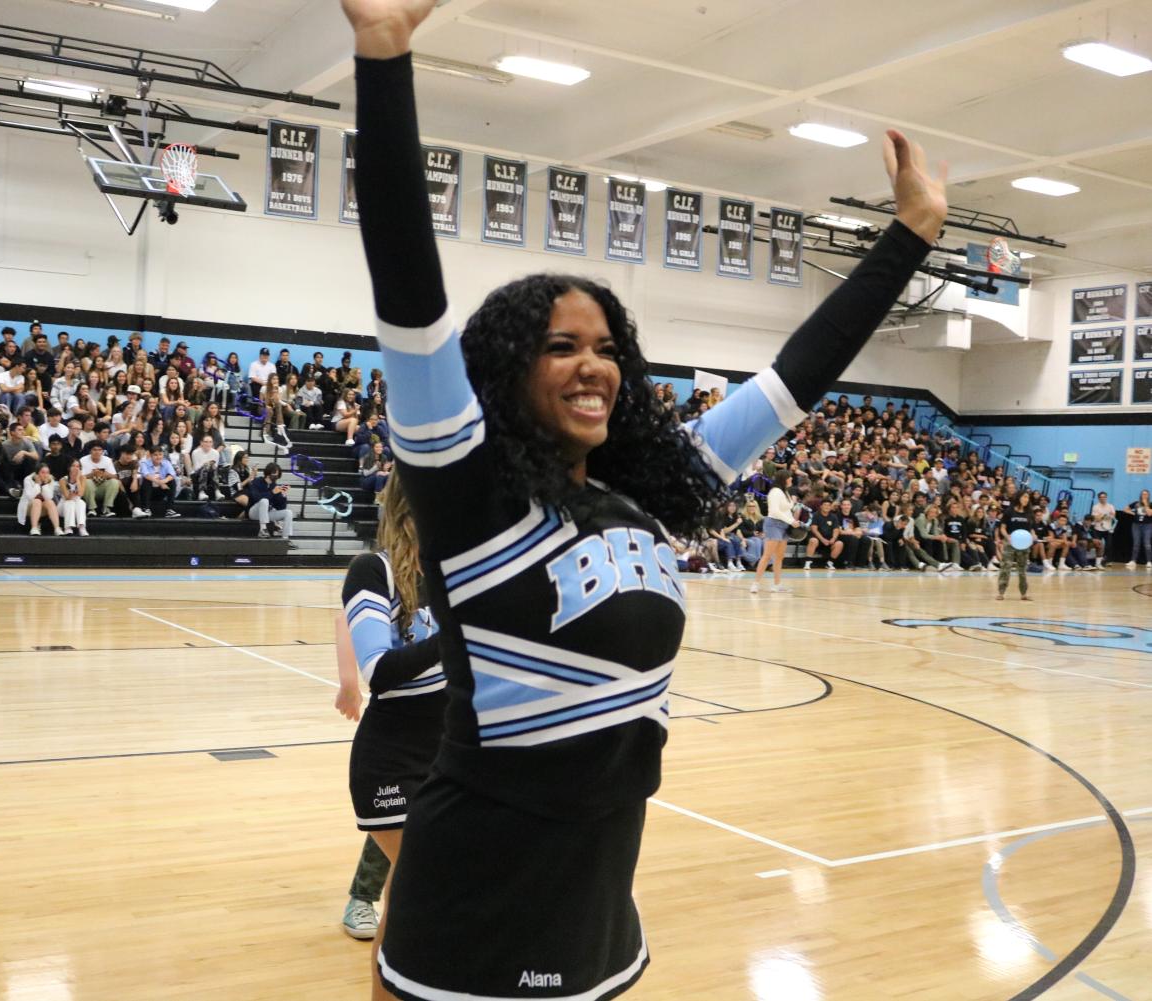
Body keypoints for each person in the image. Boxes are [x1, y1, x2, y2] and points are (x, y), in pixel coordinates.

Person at [339, 3, 945, 996]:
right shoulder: (470, 498)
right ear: (501, 370)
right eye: (562, 345)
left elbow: (793, 380)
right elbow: (407, 294)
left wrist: (909, 235)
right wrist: (383, 58)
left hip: (599, 919)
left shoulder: (647, 492)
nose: (594, 366)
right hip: (464, 921)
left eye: (609, 346)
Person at [333, 478, 443, 955]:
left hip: (451, 749)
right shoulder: (371, 570)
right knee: (427, 893)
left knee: (421, 906)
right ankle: (362, 899)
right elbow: (380, 670)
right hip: (393, 758)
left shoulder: (454, 572)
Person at [751, 471, 796, 593]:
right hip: (773, 524)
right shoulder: (775, 492)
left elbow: (786, 511)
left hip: (784, 525)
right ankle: (755, 584)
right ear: (783, 479)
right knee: (767, 555)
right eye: (789, 477)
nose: (791, 479)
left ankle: (777, 584)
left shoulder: (785, 492)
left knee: (779, 557)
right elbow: (775, 511)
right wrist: (791, 521)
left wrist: (793, 521)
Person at [996, 491, 1034, 601]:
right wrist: (1007, 536)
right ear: (1019, 498)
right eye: (1025, 497)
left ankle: (1024, 593)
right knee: (1006, 567)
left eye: (1028, 497)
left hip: (1024, 544)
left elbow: (1030, 529)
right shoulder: (1009, 511)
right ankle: (1001, 592)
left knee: (1022, 569)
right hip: (1010, 542)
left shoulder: (1029, 513)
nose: (1026, 499)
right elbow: (1002, 527)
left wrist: (1033, 536)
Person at [246, 462, 294, 539]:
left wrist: (283, 495)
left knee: (288, 512)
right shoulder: (256, 482)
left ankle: (285, 538)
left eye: (278, 475)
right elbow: (256, 498)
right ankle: (263, 529)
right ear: (268, 473)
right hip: (253, 512)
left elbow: (281, 508)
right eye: (275, 474)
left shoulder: (274, 486)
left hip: (267, 514)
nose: (276, 477)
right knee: (264, 500)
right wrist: (272, 492)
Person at [80, 442, 121, 516]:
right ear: (90, 451)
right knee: (86, 482)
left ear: (103, 451)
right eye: (94, 450)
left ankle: (106, 508)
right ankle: (92, 509)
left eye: (99, 450)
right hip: (90, 487)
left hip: (103, 486)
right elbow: (80, 478)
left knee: (115, 482)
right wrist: (92, 474)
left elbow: (115, 477)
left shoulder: (107, 460)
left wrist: (107, 474)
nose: (97, 452)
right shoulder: (83, 460)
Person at [21, 465, 63, 536]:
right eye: (43, 472)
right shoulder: (28, 479)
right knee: (37, 501)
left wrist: (45, 484)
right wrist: (37, 484)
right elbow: (30, 497)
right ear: (37, 473)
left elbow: (49, 497)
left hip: (42, 509)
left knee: (50, 502)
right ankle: (34, 528)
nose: (45, 475)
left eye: (47, 473)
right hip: (28, 507)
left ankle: (57, 528)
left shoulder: (50, 480)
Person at [59, 461, 90, 536]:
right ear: (69, 468)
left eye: (78, 466)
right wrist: (72, 494)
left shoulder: (83, 478)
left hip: (76, 504)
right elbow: (67, 497)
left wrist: (77, 479)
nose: (76, 468)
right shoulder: (63, 480)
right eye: (73, 466)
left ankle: (82, 527)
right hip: (63, 505)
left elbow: (81, 494)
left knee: (81, 502)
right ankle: (68, 527)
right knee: (70, 502)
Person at [1126, 489, 1152, 569]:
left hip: (1147, 526)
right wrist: (1133, 513)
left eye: (1146, 494)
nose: (1144, 496)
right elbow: (1126, 509)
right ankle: (1133, 561)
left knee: (1147, 544)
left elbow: (1149, 514)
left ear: (1148, 496)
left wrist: (1145, 504)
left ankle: (1149, 561)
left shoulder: (1150, 504)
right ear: (1141, 495)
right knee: (1136, 543)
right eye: (1143, 494)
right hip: (1136, 525)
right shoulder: (1136, 503)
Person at [1089, 491, 1116, 568]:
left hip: (1108, 528)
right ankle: (1097, 561)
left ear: (1106, 498)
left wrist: (1101, 516)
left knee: (1109, 545)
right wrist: (1105, 515)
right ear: (1099, 498)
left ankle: (1108, 560)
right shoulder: (1095, 507)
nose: (1103, 499)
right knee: (1098, 544)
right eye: (1101, 497)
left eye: (1104, 497)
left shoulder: (1110, 506)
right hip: (1098, 528)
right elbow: (1095, 518)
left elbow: (1113, 516)